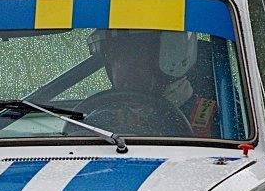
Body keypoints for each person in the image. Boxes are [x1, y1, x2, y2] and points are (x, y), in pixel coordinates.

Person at [83, 29, 224, 138]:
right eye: (113, 55)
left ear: (171, 55)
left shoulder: (218, 120)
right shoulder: (102, 119)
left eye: (135, 55)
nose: (120, 66)